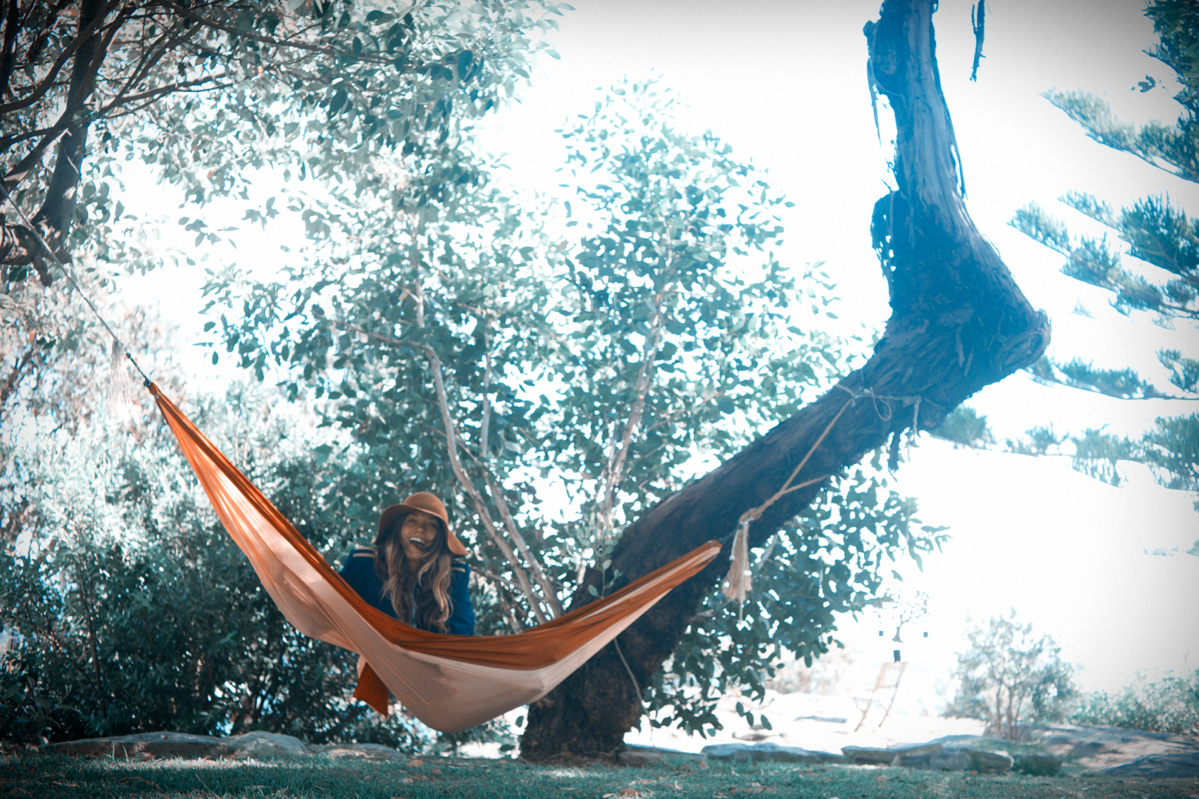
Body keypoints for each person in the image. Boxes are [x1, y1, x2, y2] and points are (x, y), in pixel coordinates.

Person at [339, 491, 474, 636]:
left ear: (440, 538)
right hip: (374, 656)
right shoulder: (363, 564)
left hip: (432, 658)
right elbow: (329, 601)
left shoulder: (455, 576)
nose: (420, 529)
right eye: (412, 521)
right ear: (399, 529)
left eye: (431, 525)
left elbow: (462, 634)